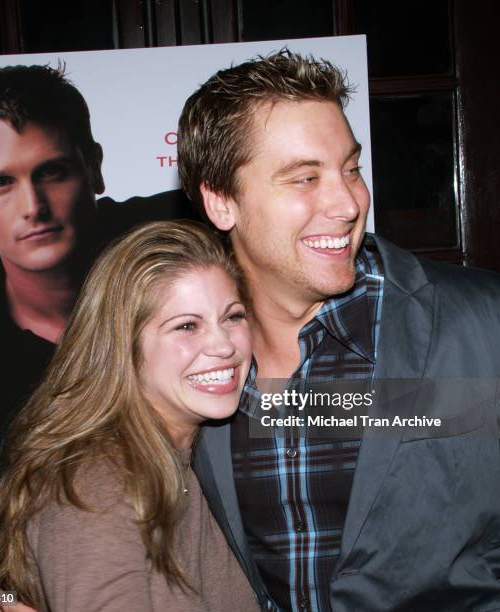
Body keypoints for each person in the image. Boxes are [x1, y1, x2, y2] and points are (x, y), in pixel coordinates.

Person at [177, 50, 500, 611]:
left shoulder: (481, 323)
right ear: (221, 201)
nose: (348, 202)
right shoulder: (175, 354)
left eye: (350, 168)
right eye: (305, 177)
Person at [0, 64, 192, 592]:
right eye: (1, 183)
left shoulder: (181, 235)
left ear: (95, 168)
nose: (32, 207)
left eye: (53, 172)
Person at [0, 220, 259, 612]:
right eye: (186, 326)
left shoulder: (176, 459)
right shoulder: (95, 485)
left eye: (232, 317)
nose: (223, 345)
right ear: (124, 347)